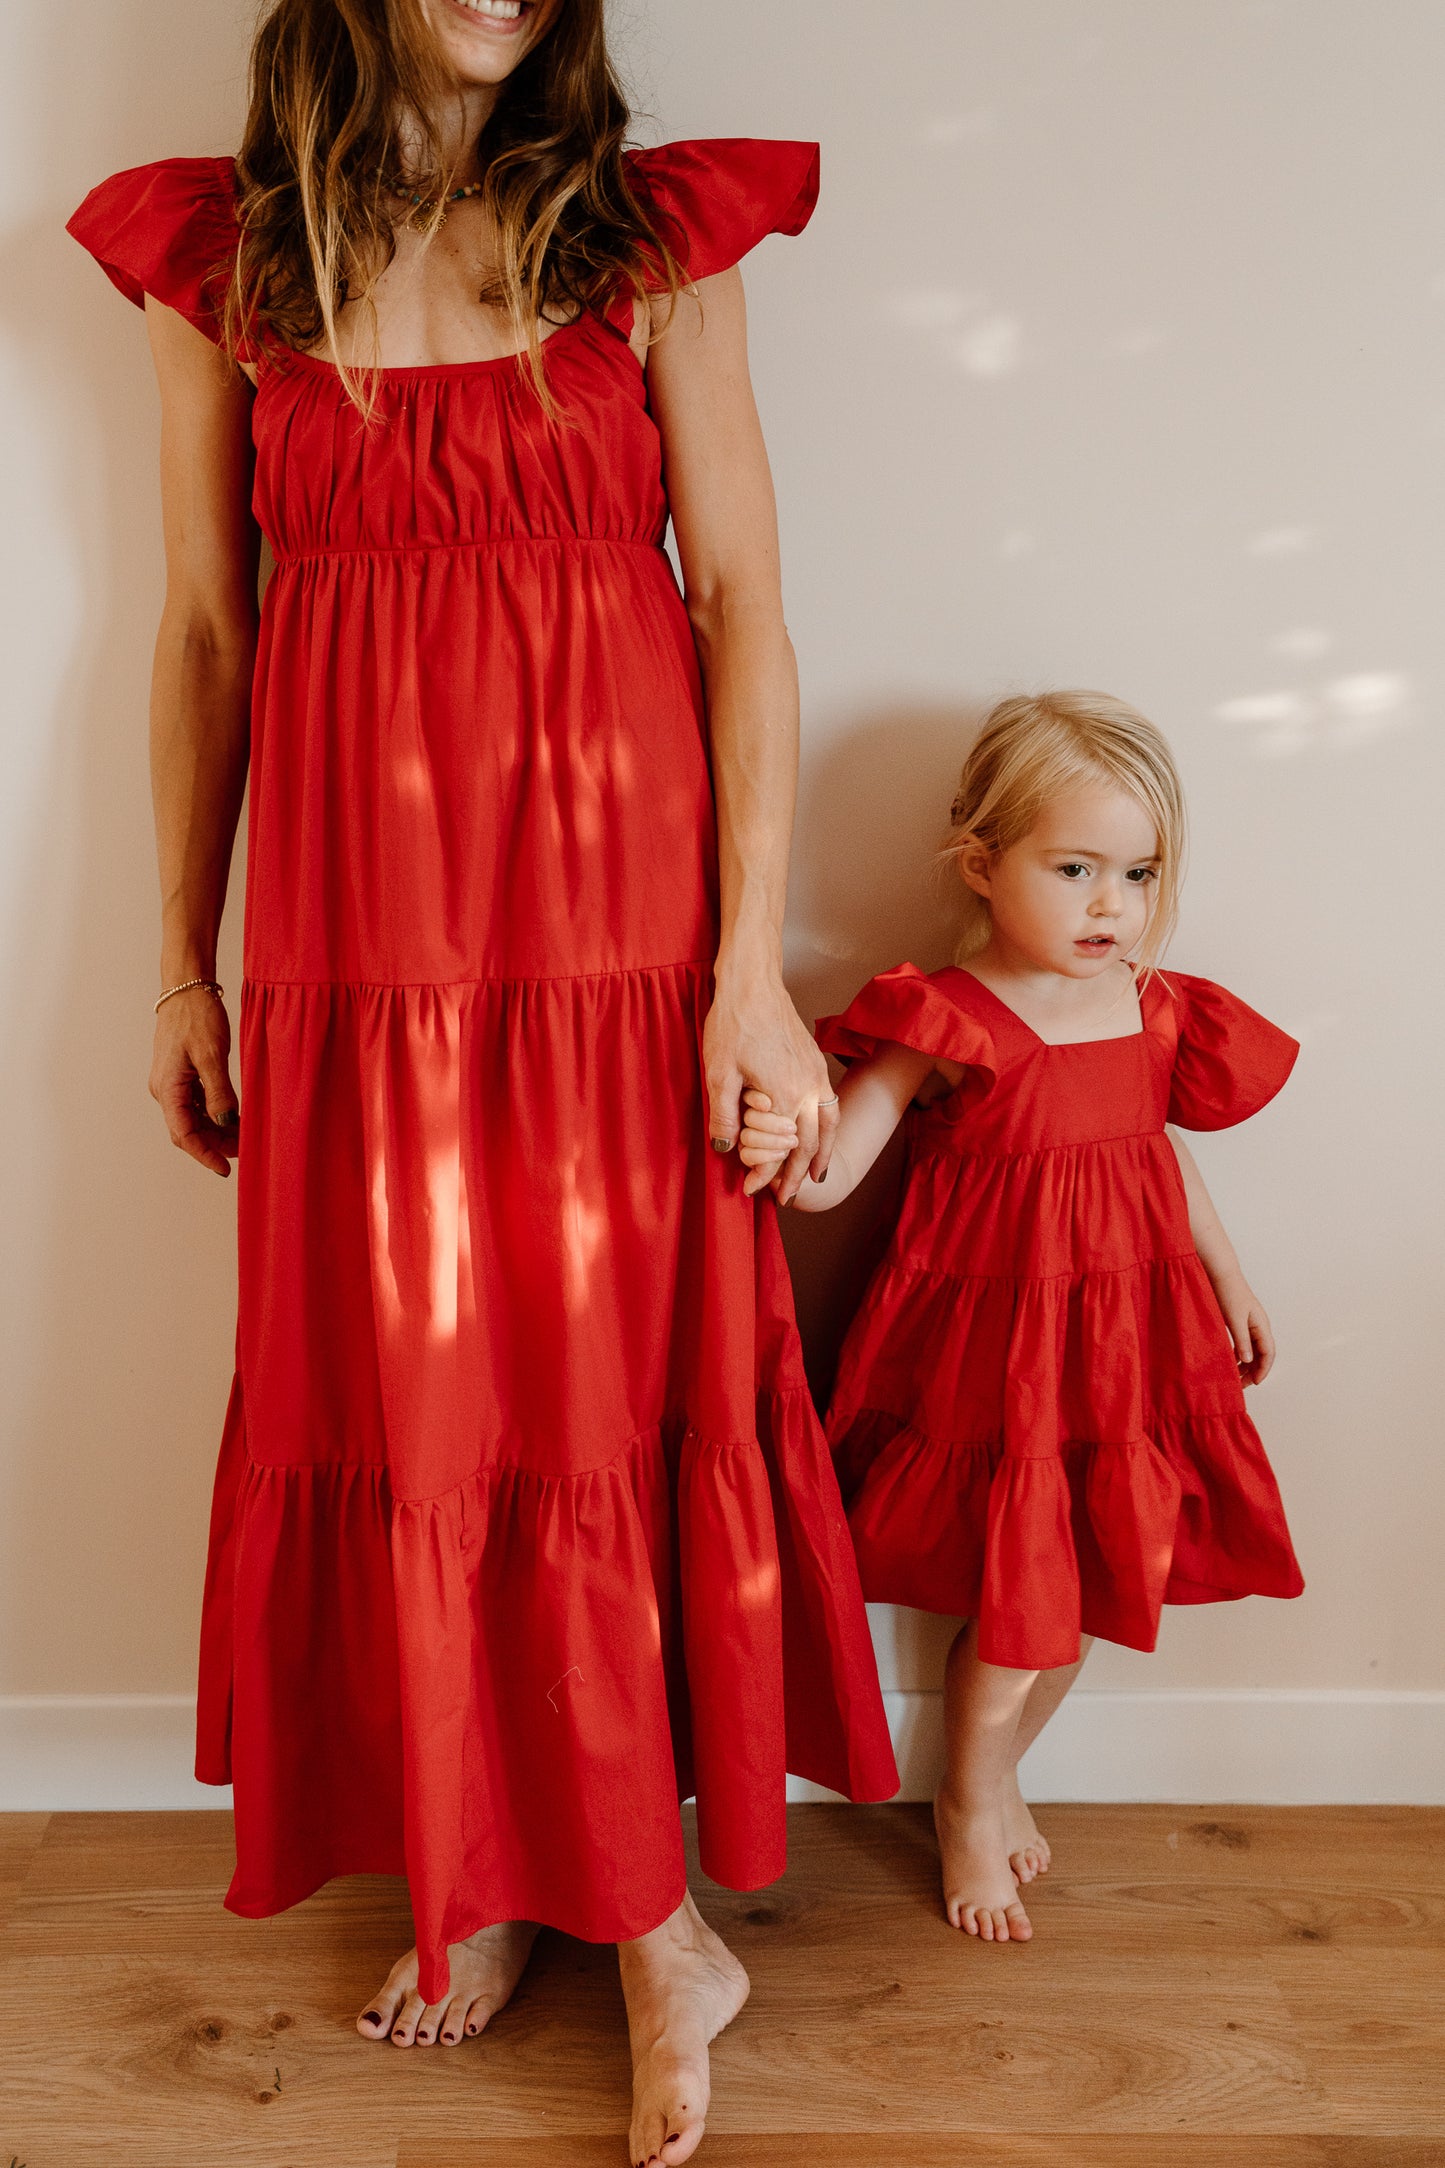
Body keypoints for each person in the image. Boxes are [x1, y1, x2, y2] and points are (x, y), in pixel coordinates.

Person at [66, 2, 896, 2160]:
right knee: (430, 1394)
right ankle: (503, 1867)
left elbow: (738, 601)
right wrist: (175, 956)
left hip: (619, 937)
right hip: (360, 941)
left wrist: (747, 978)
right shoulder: (226, 265)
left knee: (609, 1384)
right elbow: (205, 632)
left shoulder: (643, 238)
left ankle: (656, 1930)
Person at [738, 689, 1303, 1945]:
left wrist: (1226, 1275)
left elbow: (1160, 1156)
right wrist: (784, 1138)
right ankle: (969, 1788)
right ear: (983, 865)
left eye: (1137, 871)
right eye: (1075, 867)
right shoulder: (941, 1017)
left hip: (1126, 1344)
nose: (1112, 902)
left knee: (1099, 1572)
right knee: (1018, 1589)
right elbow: (831, 1179)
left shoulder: (1153, 1007)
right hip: (996, 1355)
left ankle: (995, 1768)